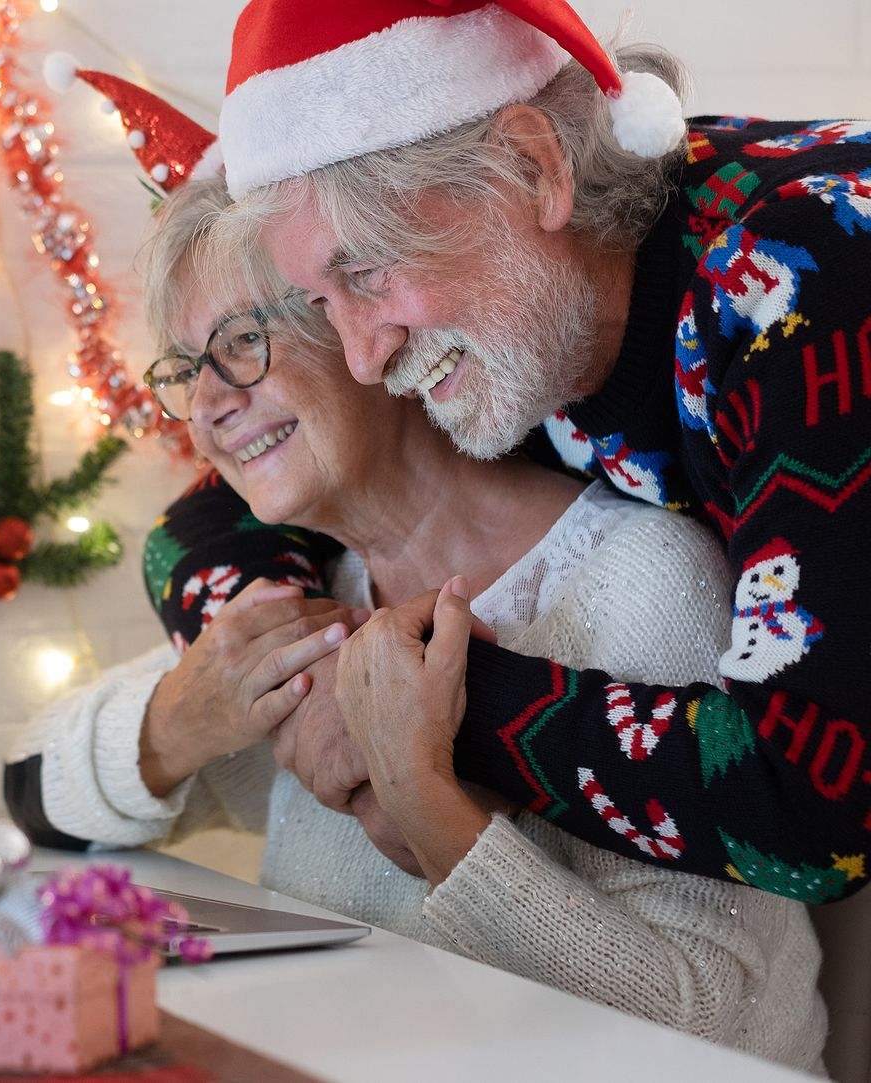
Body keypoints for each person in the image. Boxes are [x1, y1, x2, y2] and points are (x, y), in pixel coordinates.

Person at [5, 148, 826, 1069]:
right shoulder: (314, 601)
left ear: (367, 325)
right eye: (184, 368)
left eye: (242, 343)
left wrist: (426, 802)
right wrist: (179, 719)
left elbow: (715, 1027)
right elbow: (32, 787)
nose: (206, 407)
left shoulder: (638, 580)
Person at [141, 0, 871, 906]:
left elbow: (822, 812)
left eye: (370, 274)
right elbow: (198, 522)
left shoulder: (807, 273)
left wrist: (415, 708)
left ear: (532, 167)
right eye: (328, 305)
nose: (364, 357)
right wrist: (314, 669)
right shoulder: (532, 316)